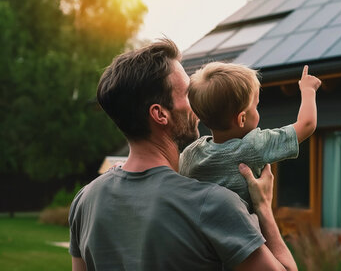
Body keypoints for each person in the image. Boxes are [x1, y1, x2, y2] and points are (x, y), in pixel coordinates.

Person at [68, 39, 296, 271]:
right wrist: (264, 209)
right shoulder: (212, 204)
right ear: (160, 114)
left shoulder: (85, 201)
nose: (198, 104)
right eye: (190, 94)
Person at [179, 62, 321, 209]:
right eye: (256, 106)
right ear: (242, 119)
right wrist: (308, 90)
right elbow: (307, 124)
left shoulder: (192, 154)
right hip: (246, 228)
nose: (257, 111)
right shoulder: (253, 145)